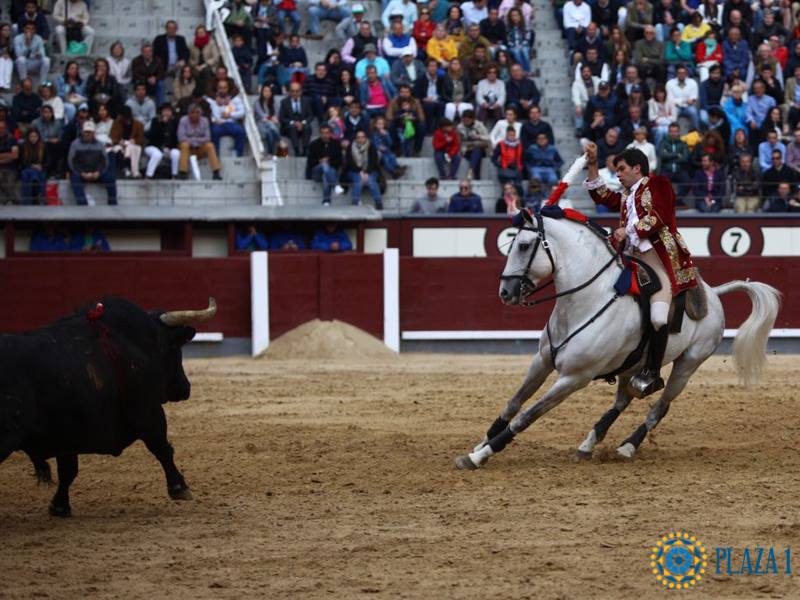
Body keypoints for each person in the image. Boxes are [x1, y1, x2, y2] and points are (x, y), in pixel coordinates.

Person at [584, 143, 697, 398]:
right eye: (616, 171)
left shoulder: (659, 184)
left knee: (658, 317)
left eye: (621, 169)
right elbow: (603, 195)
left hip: (658, 257)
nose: (618, 175)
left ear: (637, 168)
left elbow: (660, 216)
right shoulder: (626, 195)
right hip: (631, 256)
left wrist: (629, 230)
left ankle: (652, 372)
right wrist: (592, 165)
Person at [68, 120, 117, 206]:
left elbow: (104, 161)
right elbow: (72, 161)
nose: (87, 134)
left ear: (93, 133)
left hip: (96, 173)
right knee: (74, 179)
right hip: (81, 173)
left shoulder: (100, 144)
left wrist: (98, 172)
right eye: (86, 131)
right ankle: (82, 204)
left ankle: (113, 204)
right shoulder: (75, 144)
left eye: (89, 132)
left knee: (111, 178)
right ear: (82, 132)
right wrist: (81, 173)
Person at [177, 103, 222, 180]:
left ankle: (216, 172)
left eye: (197, 112)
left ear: (200, 113)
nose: (195, 115)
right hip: (188, 148)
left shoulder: (205, 121)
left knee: (210, 145)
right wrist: (193, 142)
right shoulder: (183, 120)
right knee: (184, 145)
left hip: (200, 148)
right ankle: (183, 172)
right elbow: (181, 137)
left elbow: (207, 138)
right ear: (189, 113)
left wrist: (195, 141)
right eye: (193, 112)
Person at [344, 129, 383, 208]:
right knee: (358, 178)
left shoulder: (371, 146)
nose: (360, 139)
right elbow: (350, 162)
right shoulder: (350, 147)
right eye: (358, 137)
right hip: (353, 171)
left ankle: (378, 203)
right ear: (355, 138)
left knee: (371, 179)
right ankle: (355, 203)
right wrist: (360, 171)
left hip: (371, 170)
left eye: (362, 137)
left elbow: (373, 162)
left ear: (366, 137)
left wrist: (366, 172)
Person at [307, 123, 344, 206]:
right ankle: (336, 186)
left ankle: (326, 202)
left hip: (331, 171)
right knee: (324, 165)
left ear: (330, 133)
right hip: (316, 172)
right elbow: (310, 162)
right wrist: (320, 161)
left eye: (327, 133)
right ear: (320, 134)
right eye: (323, 133)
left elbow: (340, 161)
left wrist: (329, 161)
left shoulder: (336, 144)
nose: (325, 135)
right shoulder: (314, 144)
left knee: (325, 175)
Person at [207, 79, 246, 157]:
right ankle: (215, 156)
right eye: (220, 88)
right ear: (217, 89)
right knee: (213, 132)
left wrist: (230, 115)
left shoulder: (234, 99)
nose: (222, 90)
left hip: (231, 123)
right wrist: (214, 120)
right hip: (218, 124)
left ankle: (237, 155)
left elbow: (242, 112)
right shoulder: (211, 100)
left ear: (228, 89)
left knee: (241, 132)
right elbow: (208, 114)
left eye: (224, 88)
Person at [144, 103, 180, 179]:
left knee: (176, 153)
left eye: (169, 111)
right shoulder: (155, 121)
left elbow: (175, 138)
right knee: (157, 154)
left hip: (169, 148)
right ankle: (148, 175)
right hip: (153, 146)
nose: (167, 113)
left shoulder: (175, 122)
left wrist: (169, 148)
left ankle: (174, 175)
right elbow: (153, 136)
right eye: (165, 111)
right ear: (161, 112)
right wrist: (161, 123)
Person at [457, 110, 490, 178]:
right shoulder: (459, 127)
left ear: (473, 119)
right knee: (476, 154)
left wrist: (478, 136)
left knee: (477, 151)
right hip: (466, 149)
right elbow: (458, 142)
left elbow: (488, 137)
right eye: (464, 121)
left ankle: (471, 171)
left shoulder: (479, 125)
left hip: (479, 147)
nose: (466, 123)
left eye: (468, 121)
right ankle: (475, 175)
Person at [19, 126, 45, 204]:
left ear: (38, 137)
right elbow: (22, 162)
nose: (33, 138)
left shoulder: (44, 146)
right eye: (31, 136)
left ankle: (34, 199)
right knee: (29, 174)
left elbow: (48, 162)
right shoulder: (23, 146)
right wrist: (33, 166)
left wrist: (41, 166)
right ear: (28, 137)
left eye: (35, 136)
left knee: (35, 174)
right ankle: (31, 200)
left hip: (41, 169)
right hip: (27, 168)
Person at [253, 84, 280, 156]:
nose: (267, 93)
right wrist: (271, 118)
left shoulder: (274, 102)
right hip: (260, 125)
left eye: (269, 91)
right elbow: (261, 115)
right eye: (265, 91)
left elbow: (277, 115)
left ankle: (270, 153)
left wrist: (271, 119)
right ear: (262, 92)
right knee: (270, 127)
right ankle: (280, 141)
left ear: (271, 93)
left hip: (272, 125)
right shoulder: (257, 103)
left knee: (270, 130)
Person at [0, 120, 18, 203]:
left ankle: (9, 200)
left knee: (9, 182)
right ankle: (12, 200)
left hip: (11, 168)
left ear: (6, 128)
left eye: (3, 128)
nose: (1, 130)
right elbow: (11, 155)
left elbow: (15, 155)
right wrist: (8, 154)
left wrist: (1, 157)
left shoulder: (12, 139)